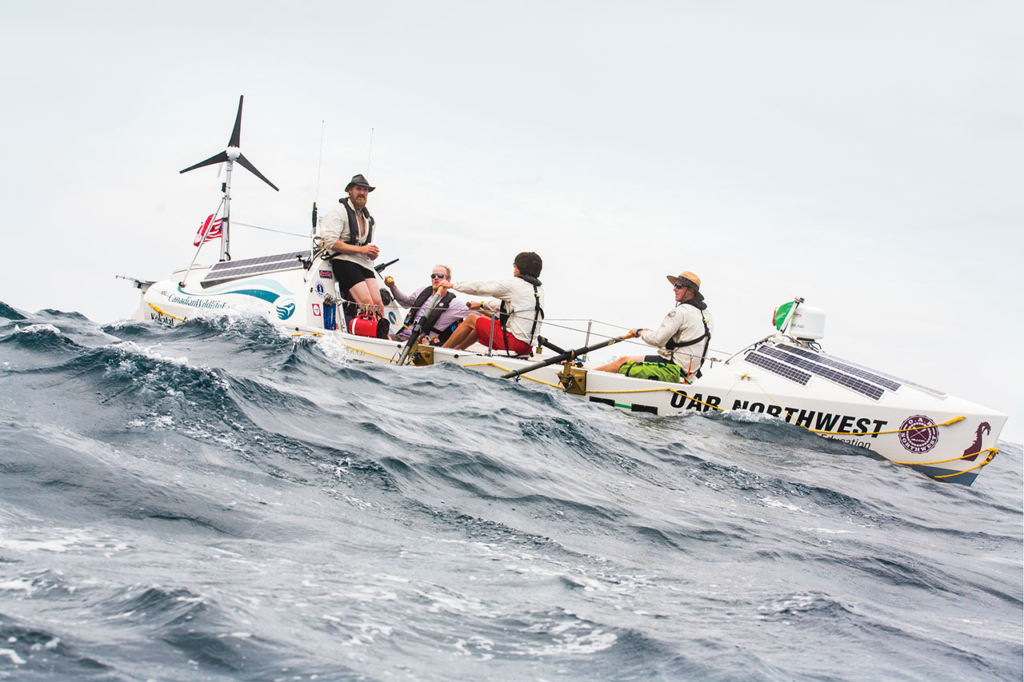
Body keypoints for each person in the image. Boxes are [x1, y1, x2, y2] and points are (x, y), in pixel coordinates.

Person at [594, 270, 714, 382]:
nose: (674, 289)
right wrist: (649, 332)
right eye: (675, 285)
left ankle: (588, 377)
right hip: (690, 375)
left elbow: (657, 340)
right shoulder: (706, 316)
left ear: (691, 291)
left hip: (673, 370)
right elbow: (683, 338)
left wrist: (640, 332)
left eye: (679, 286)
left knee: (621, 361)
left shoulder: (680, 311)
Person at [441, 252, 544, 356]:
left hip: (513, 343)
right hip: (527, 347)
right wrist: (481, 305)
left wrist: (452, 285)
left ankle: (442, 351)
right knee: (483, 322)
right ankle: (456, 352)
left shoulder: (514, 284)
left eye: (514, 265)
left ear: (519, 267)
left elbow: (481, 288)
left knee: (471, 318)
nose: (513, 269)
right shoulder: (538, 289)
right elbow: (504, 304)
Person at [319, 174, 384, 314]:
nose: (362, 192)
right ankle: (369, 333)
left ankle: (384, 336)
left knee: (378, 304)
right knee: (367, 304)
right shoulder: (338, 212)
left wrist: (371, 254)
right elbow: (330, 242)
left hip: (363, 263)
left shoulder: (369, 219)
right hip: (344, 260)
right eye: (358, 189)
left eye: (365, 190)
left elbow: (366, 247)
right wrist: (361, 250)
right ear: (350, 191)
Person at [385, 264, 470, 345]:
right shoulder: (422, 291)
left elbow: (477, 312)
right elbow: (406, 303)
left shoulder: (454, 303)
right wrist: (392, 287)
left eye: (440, 276)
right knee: (377, 336)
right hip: (401, 336)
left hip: (419, 343)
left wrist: (481, 305)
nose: (436, 278)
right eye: (433, 276)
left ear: (448, 280)